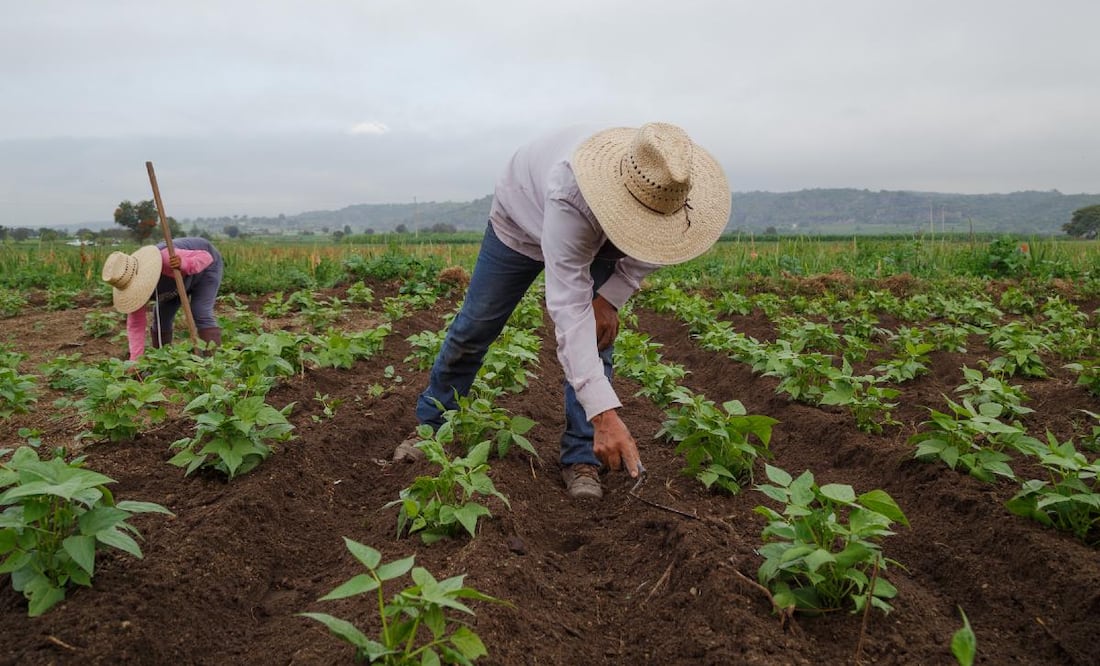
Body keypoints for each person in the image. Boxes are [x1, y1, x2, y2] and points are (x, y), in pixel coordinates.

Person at [393, 122, 731, 499]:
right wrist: (605, 414)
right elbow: (569, 312)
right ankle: (430, 426)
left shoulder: (673, 192)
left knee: (598, 337)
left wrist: (610, 299)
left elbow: (655, 252)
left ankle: (581, 457)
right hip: (522, 219)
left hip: (600, 236)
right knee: (475, 327)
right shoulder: (572, 192)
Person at [100, 237, 224, 361]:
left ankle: (213, 362)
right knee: (161, 316)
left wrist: (184, 264)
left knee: (200, 311)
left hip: (205, 270)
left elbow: (206, 257)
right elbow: (136, 325)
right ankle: (163, 360)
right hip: (174, 283)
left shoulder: (165, 257)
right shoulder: (130, 285)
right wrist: (135, 360)